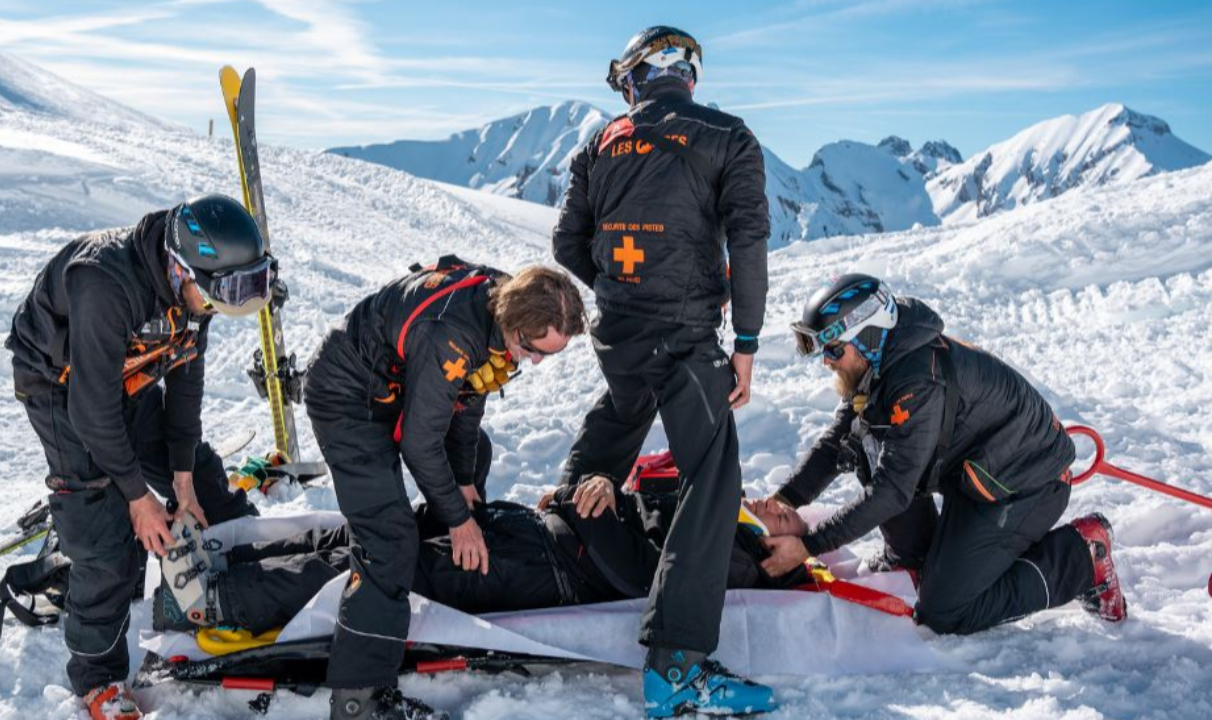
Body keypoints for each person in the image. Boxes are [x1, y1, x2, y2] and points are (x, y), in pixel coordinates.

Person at [550, 24, 774, 718]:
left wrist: (620, 291)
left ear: (636, 78)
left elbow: (567, 242)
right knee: (712, 479)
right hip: (684, 334)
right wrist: (747, 341)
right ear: (688, 75)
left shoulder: (600, 141)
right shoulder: (729, 135)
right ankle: (675, 667)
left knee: (621, 416)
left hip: (617, 330)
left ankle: (567, 513)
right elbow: (749, 241)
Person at [6, 194, 272, 720]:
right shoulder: (104, 282)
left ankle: (241, 591)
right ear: (179, 268)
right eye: (220, 295)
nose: (221, 306)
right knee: (107, 544)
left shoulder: (199, 290)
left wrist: (183, 481)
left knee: (205, 482)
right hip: (60, 387)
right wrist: (138, 498)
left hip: (129, 375)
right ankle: (97, 678)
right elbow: (92, 412)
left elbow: (186, 385)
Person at [751, 273, 1127, 637]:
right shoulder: (882, 363)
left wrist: (808, 546)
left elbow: (893, 490)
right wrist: (783, 501)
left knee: (943, 610)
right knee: (863, 443)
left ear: (867, 335)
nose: (827, 362)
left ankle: (1081, 559)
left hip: (1027, 485)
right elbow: (836, 443)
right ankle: (912, 556)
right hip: (980, 477)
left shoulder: (916, 383)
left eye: (833, 349)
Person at [303, 256, 586, 720]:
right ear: (516, 325)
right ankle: (359, 698)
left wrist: (464, 483)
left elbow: (467, 399)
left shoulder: (500, 303)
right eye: (534, 349)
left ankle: (429, 560)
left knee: (476, 455)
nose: (535, 361)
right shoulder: (453, 335)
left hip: (391, 388)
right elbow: (419, 442)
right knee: (389, 541)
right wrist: (458, 518)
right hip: (348, 397)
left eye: (548, 355)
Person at [151, 438, 808, 637]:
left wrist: (594, 512)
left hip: (543, 570)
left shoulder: (739, 565)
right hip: (531, 532)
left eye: (784, 516)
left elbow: (646, 571)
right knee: (373, 540)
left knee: (385, 574)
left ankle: (214, 601)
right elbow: (644, 514)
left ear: (784, 553)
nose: (768, 503)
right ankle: (227, 560)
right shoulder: (724, 526)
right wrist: (588, 493)